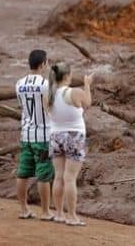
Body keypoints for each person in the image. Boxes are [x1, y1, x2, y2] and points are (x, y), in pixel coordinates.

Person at [46, 61, 93, 226]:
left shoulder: (48, 94)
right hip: (74, 136)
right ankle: (72, 216)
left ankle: (59, 213)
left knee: (58, 176)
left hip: (55, 136)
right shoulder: (75, 92)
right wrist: (87, 85)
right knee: (70, 178)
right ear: (66, 76)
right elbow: (88, 102)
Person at [15, 49, 55, 220]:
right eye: (47, 62)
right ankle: (45, 212)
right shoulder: (46, 85)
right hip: (43, 136)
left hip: (26, 135)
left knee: (23, 173)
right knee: (44, 174)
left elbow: (22, 108)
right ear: (42, 64)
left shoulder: (19, 84)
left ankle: (24, 210)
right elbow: (50, 109)